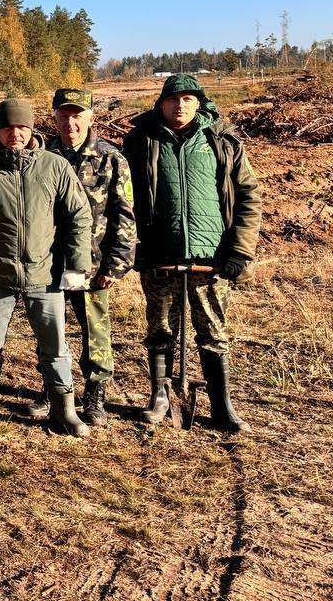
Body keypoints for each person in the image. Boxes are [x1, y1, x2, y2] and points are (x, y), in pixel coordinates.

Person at [122, 74, 259, 433]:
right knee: (160, 330)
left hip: (211, 259)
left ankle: (222, 405)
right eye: (172, 99)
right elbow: (123, 201)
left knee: (213, 332)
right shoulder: (141, 142)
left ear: (199, 103)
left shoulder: (222, 141)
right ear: (161, 104)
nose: (179, 105)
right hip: (159, 257)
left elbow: (248, 197)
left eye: (187, 99)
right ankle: (160, 396)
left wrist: (240, 252)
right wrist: (134, 248)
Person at [0, 98, 93, 438]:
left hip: (44, 276)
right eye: (7, 127)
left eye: (21, 127)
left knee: (56, 346)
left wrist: (76, 264)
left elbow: (78, 216)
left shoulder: (54, 166)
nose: (14, 134)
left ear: (32, 128)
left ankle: (65, 410)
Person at [42, 88, 136, 426]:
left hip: (94, 264)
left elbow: (124, 214)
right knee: (51, 329)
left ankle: (95, 396)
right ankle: (51, 390)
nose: (71, 122)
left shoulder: (110, 158)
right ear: (54, 117)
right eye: (64, 115)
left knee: (95, 332)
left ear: (90, 117)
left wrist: (116, 263)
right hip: (49, 262)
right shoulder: (43, 155)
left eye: (77, 115)